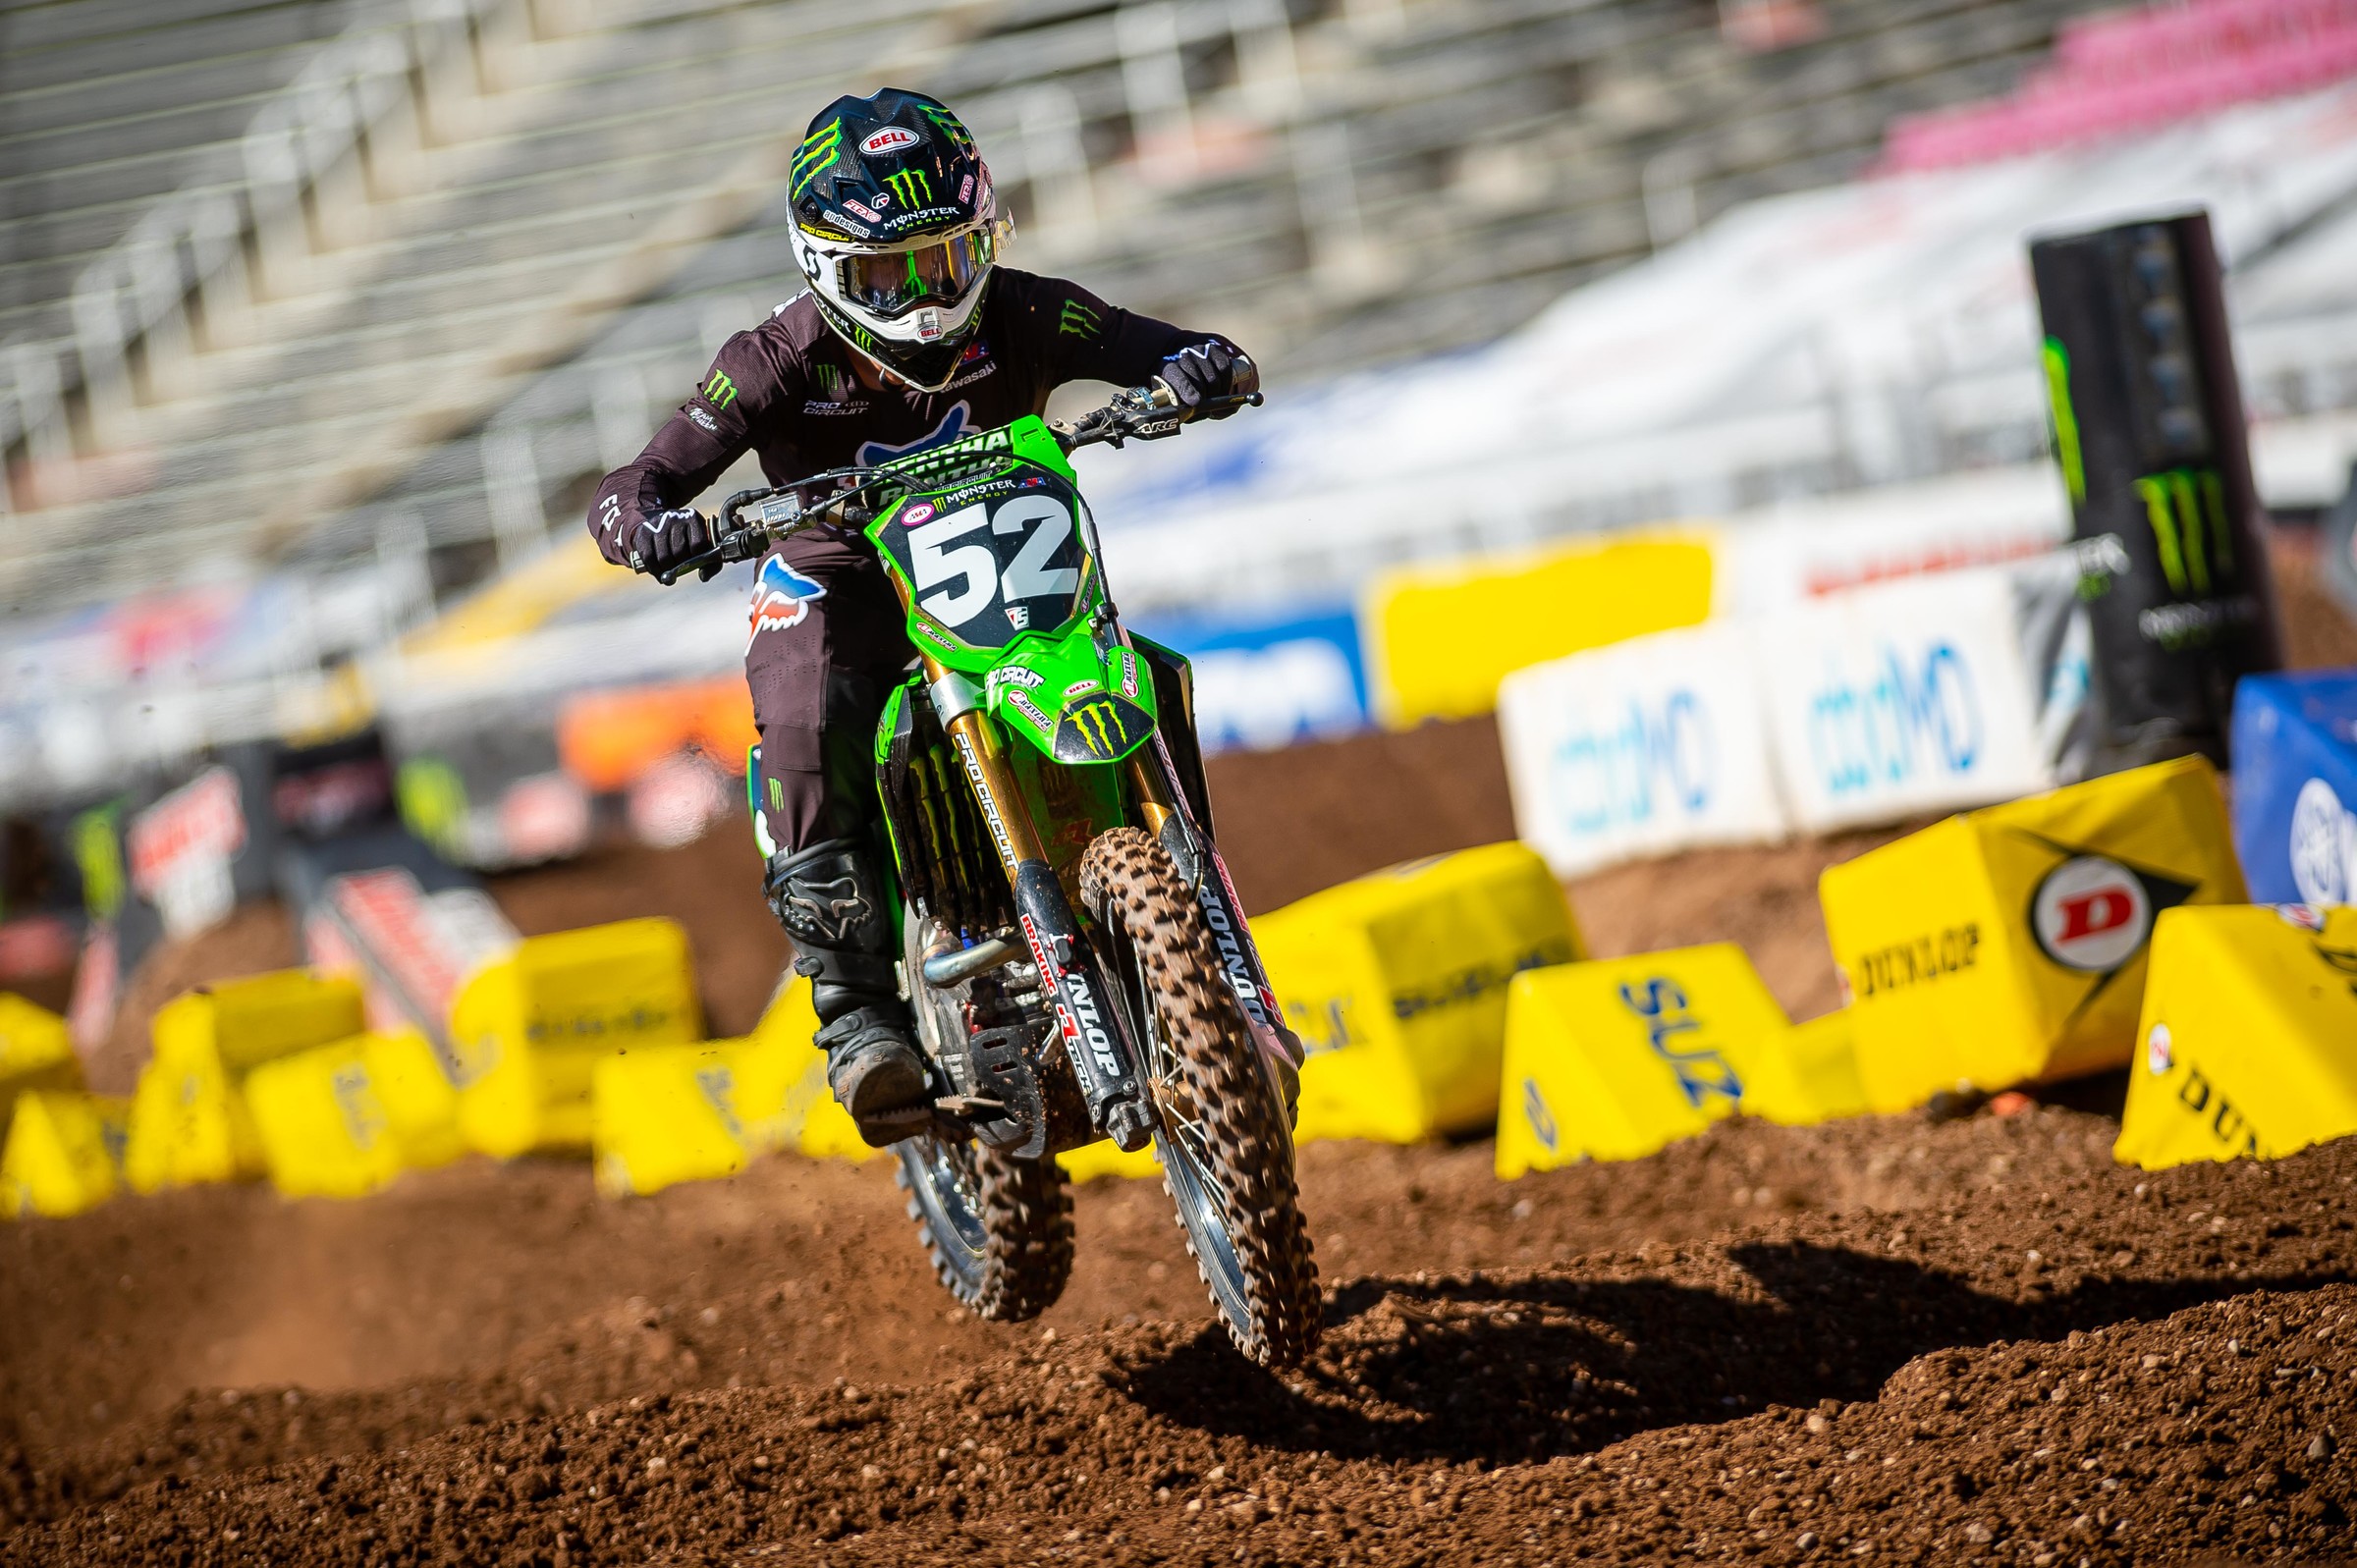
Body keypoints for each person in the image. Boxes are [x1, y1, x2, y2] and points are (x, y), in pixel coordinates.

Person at [586, 88, 1257, 1146]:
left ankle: (1188, 910)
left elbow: (1166, 345)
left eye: (947, 258)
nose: (929, 297)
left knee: (1142, 667)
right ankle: (857, 1016)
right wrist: (650, 525)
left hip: (1008, 558)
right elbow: (636, 483)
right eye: (894, 274)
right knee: (808, 721)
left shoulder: (1030, 311)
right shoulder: (772, 359)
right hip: (841, 578)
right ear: (825, 268)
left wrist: (1203, 367)